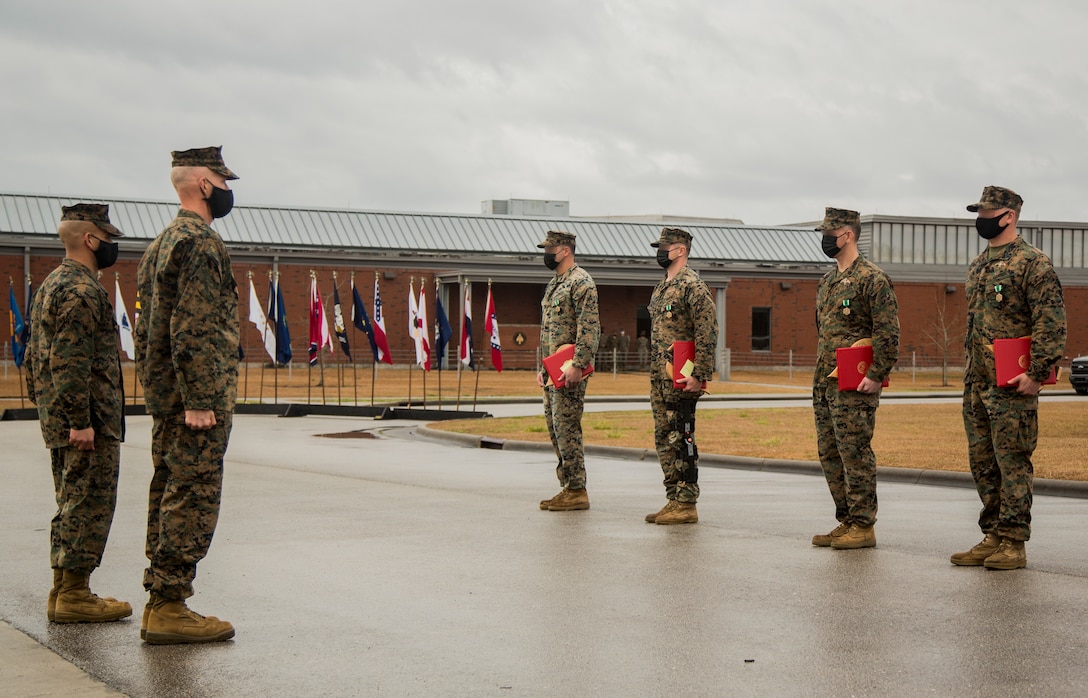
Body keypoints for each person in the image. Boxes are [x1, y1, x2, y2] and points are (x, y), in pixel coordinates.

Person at [134, 146, 240, 643]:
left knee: (168, 489)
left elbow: (144, 330)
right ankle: (170, 606)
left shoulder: (160, 243)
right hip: (194, 401)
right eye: (222, 181)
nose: (227, 191)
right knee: (191, 493)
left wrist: (161, 392)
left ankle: (160, 600)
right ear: (203, 183)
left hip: (168, 398)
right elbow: (193, 325)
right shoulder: (200, 243)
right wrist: (199, 399)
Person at [24, 203, 132, 624]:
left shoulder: (52, 283)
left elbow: (36, 359)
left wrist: (55, 413)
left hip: (63, 419)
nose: (111, 246)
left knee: (71, 502)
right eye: (107, 238)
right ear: (90, 239)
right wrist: (80, 420)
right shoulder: (83, 290)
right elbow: (68, 361)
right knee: (87, 503)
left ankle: (63, 590)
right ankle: (74, 593)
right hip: (86, 422)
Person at [951, 186, 1066, 570]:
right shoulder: (979, 264)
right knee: (982, 461)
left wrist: (1036, 374)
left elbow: (1050, 323)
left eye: (987, 212)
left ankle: (1014, 542)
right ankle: (993, 534)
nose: (980, 219)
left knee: (1012, 461)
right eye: (978, 212)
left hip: (1013, 384)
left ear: (1009, 216)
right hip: (978, 381)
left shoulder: (1033, 262)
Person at [811, 207, 899, 550]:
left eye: (829, 233)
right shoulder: (827, 281)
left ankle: (863, 524)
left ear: (847, 234)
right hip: (825, 379)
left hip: (856, 382)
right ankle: (846, 518)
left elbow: (887, 333)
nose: (825, 239)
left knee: (855, 450)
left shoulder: (872, 278)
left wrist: (877, 374)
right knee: (829, 450)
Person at [645, 227, 717, 525]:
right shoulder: (663, 286)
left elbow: (707, 331)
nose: (660, 252)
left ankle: (687, 501)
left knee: (681, 435)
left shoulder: (692, 286)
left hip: (682, 377)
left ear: (681, 250)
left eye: (665, 247)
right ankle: (673, 497)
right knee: (664, 437)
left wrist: (699, 374)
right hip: (661, 377)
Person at [536, 231, 601, 512]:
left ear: (564, 251)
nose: (546, 253)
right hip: (553, 369)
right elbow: (548, 331)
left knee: (567, 427)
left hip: (569, 370)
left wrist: (578, 364)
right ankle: (568, 486)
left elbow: (589, 327)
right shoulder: (555, 284)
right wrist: (542, 367)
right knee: (555, 427)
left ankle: (577, 489)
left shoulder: (581, 282)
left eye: (550, 249)